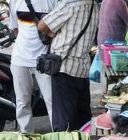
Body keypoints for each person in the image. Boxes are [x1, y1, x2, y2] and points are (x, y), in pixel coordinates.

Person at [38, 0, 99, 131]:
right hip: (82, 68)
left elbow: (42, 26)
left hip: (64, 68)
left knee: (63, 122)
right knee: (82, 121)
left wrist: (52, 33)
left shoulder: (69, 3)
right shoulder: (93, 5)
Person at [9, 0, 58, 133]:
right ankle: (26, 135)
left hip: (44, 60)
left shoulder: (51, 1)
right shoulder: (15, 1)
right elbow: (15, 28)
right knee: (22, 101)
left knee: (51, 100)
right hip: (20, 58)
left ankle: (58, 135)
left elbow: (56, 29)